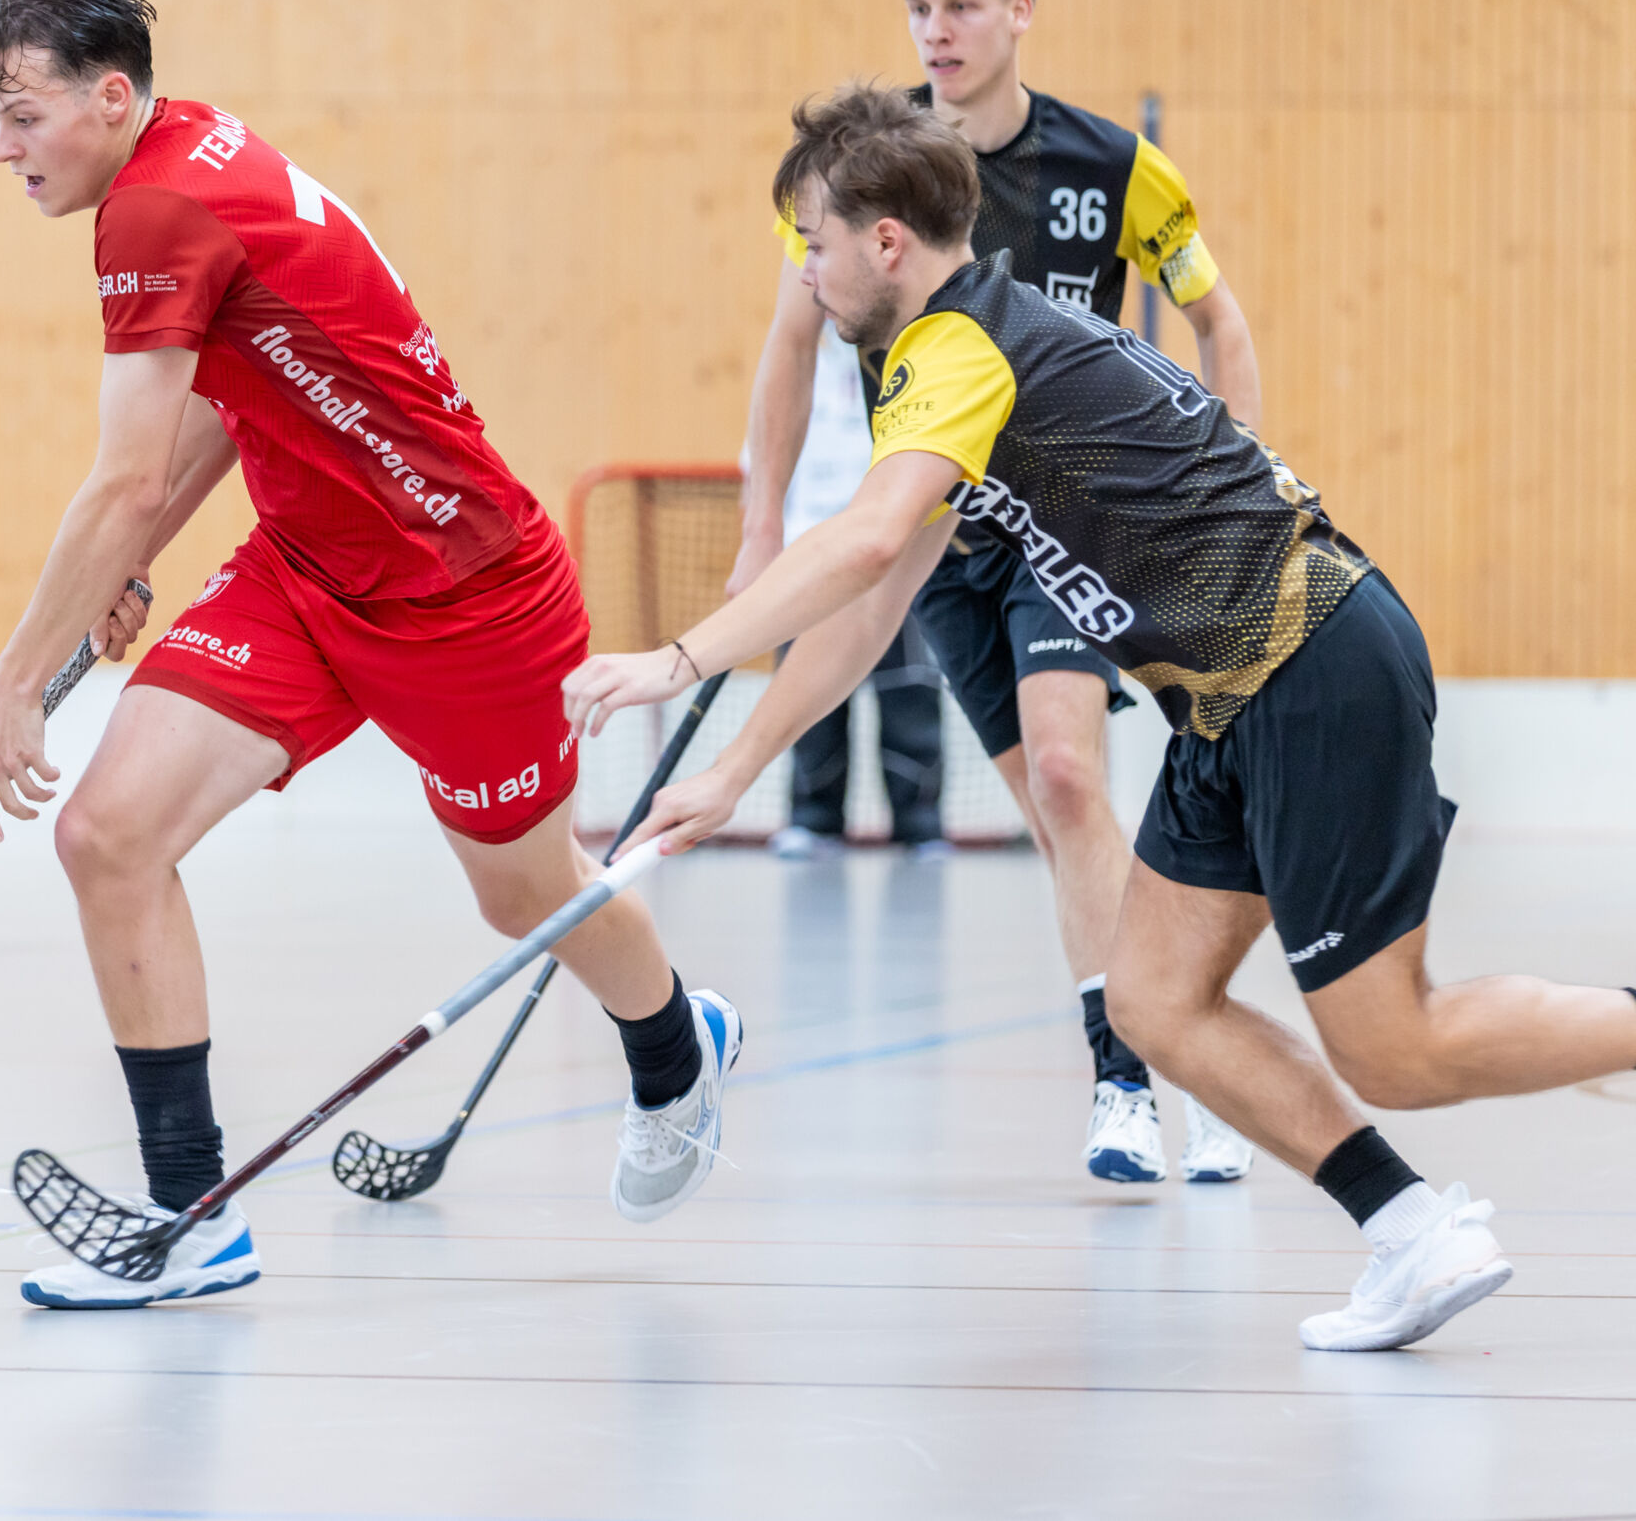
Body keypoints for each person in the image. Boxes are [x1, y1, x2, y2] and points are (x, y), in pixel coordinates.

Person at [567, 81, 1636, 1352]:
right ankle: (1411, 1232)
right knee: (1152, 997)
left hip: (1309, 660)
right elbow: (885, 588)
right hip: (1229, 702)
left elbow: (856, 544)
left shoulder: (959, 348)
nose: (804, 271)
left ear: (885, 241)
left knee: (1393, 1042)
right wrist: (740, 765)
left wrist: (680, 658)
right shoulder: (969, 349)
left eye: (814, 239)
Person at [0, 0, 740, 1310]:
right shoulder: (184, 155)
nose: (4, 150)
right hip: (310, 568)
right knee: (108, 835)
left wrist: (19, 679)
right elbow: (230, 399)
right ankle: (189, 1213)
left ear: (114, 95)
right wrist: (127, 560)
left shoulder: (158, 210)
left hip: (469, 593)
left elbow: (128, 469)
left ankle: (675, 1041)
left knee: (522, 891)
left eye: (22, 116)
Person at [731, 0, 1257, 1185]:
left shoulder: (1115, 170)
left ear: (1020, 10)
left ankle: (1141, 1073)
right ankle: (1183, 1032)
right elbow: (789, 348)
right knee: (1050, 807)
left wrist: (1228, 502)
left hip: (1069, 522)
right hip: (939, 541)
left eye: (963, 3)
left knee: (1074, 777)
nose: (938, 28)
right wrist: (760, 532)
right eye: (920, 5)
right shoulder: (864, 180)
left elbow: (1222, 328)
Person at [763, 325, 948, 858]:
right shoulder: (792, 377)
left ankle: (920, 823)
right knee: (809, 700)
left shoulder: (910, 368)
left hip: (894, 561)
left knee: (909, 695)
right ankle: (813, 819)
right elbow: (763, 477)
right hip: (806, 565)